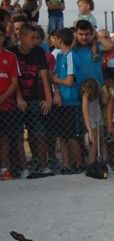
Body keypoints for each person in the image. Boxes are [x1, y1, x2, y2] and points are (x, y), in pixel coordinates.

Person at [10, 22, 52, 178]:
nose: (36, 41)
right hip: (16, 100)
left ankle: (44, 166)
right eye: (32, 37)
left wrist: (48, 98)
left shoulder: (39, 52)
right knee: (18, 135)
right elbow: (14, 78)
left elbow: (44, 76)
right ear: (21, 36)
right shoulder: (13, 52)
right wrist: (19, 98)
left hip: (34, 98)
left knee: (39, 132)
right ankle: (23, 169)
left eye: (37, 37)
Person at [50, 27, 82, 174]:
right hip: (61, 101)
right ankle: (66, 165)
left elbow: (69, 81)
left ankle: (78, 164)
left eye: (55, 39)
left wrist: (56, 79)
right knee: (62, 135)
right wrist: (56, 90)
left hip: (71, 101)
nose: (53, 41)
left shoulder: (70, 55)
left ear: (60, 40)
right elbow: (56, 79)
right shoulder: (60, 56)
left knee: (71, 136)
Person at [0, 25, 18, 179]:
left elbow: (14, 83)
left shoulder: (11, 56)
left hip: (6, 105)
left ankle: (4, 169)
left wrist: (2, 98)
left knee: (5, 138)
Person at [80, 77, 104, 165]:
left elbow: (104, 99)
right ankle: (91, 164)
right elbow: (85, 113)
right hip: (91, 121)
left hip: (99, 118)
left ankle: (104, 161)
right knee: (94, 143)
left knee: (102, 140)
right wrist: (89, 131)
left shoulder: (97, 90)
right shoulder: (85, 96)